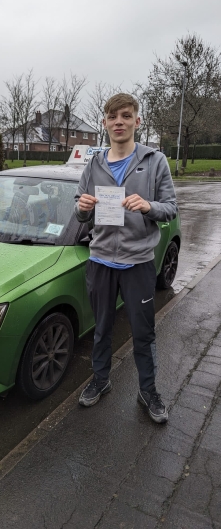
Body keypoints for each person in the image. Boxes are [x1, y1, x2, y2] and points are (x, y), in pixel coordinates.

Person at [74, 93, 177, 423]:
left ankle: (148, 391)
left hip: (138, 264)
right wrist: (82, 208)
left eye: (125, 116)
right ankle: (101, 381)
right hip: (101, 262)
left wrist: (148, 206)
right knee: (102, 329)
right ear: (105, 122)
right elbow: (79, 214)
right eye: (112, 116)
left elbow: (171, 208)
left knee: (143, 332)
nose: (119, 122)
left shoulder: (154, 161)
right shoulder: (94, 163)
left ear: (136, 121)